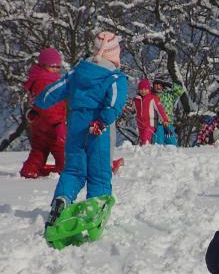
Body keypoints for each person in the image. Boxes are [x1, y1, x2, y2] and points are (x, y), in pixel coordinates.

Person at [36, 31, 128, 229]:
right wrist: (103, 121)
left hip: (76, 125)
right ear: (114, 54)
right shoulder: (115, 78)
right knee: (99, 172)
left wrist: (39, 101)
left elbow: (53, 91)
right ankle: (96, 211)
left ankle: (61, 200)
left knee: (73, 170)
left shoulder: (78, 72)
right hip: (98, 129)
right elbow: (113, 104)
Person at [20, 48, 67, 178]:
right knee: (62, 149)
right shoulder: (48, 81)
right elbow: (52, 107)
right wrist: (58, 124)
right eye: (52, 66)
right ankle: (68, 170)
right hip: (52, 124)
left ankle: (30, 169)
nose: (56, 69)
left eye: (58, 66)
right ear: (43, 65)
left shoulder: (36, 78)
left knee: (39, 149)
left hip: (38, 123)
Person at [131, 78, 169, 146]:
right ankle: (144, 153)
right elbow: (133, 110)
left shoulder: (152, 98)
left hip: (150, 123)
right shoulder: (136, 99)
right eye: (141, 89)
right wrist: (128, 109)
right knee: (142, 139)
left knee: (146, 138)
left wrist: (165, 120)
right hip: (140, 124)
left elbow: (160, 109)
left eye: (145, 89)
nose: (143, 91)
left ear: (149, 89)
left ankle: (146, 149)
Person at [152, 78, 186, 146]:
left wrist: (169, 85)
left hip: (168, 124)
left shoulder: (169, 95)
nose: (158, 87)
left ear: (163, 86)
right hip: (157, 124)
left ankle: (172, 156)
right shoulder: (151, 96)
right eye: (156, 85)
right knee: (158, 144)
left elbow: (181, 91)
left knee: (172, 144)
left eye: (160, 85)